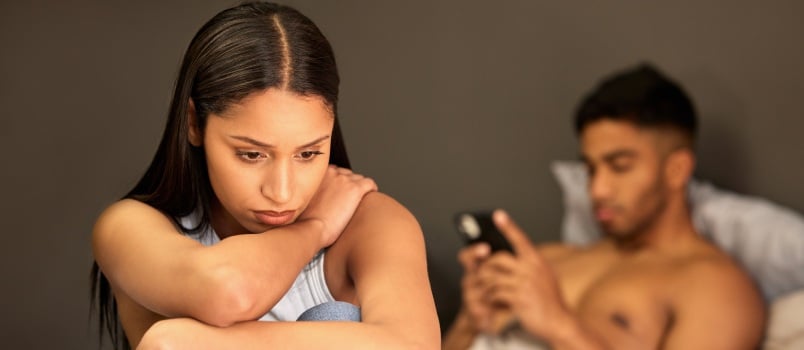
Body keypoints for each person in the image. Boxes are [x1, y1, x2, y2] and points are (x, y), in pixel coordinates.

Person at [89, 2, 439, 349]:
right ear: (194, 123)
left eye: (308, 153)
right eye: (252, 154)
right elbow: (227, 291)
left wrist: (189, 340)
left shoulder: (372, 223)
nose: (282, 192)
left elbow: (414, 345)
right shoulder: (128, 228)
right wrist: (314, 228)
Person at [443, 64, 766, 349]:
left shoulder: (716, 288)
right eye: (591, 169)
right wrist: (470, 322)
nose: (597, 190)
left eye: (620, 166)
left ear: (676, 170)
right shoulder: (548, 261)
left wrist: (559, 326)